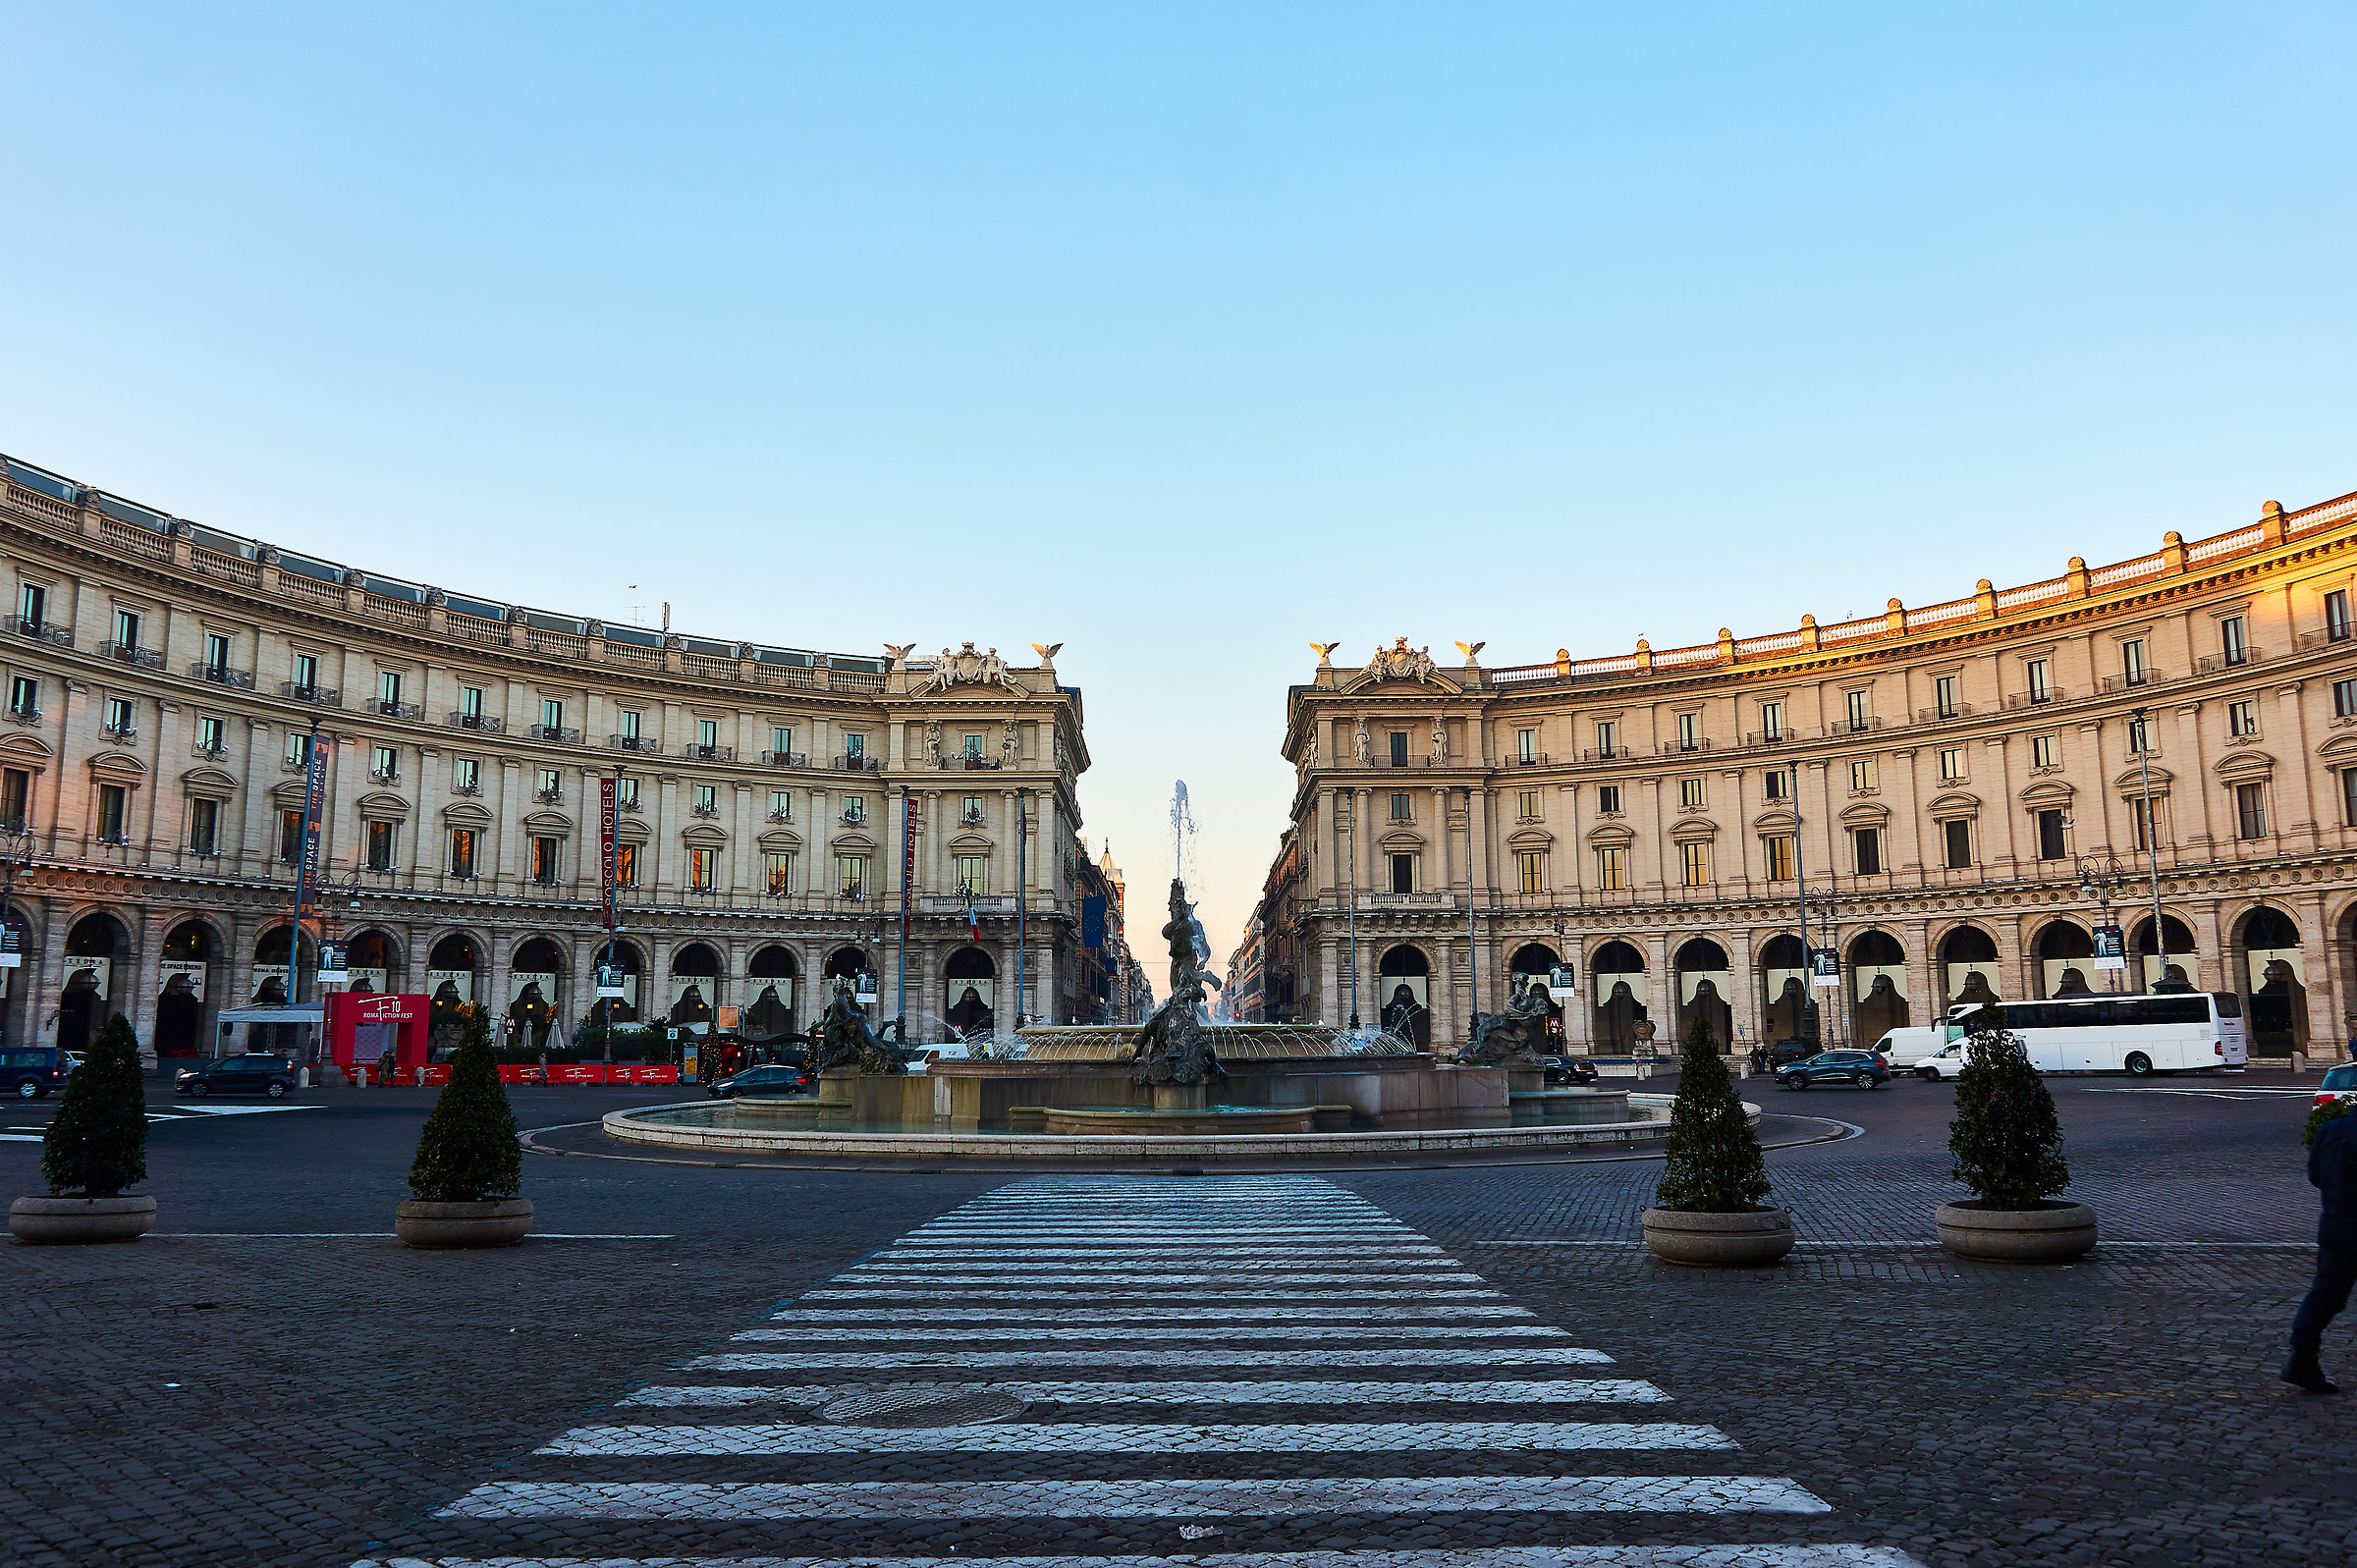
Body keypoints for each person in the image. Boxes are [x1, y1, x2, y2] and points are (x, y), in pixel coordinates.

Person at [2285, 1108, 2357, 1394]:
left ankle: (2302, 1359)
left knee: (2324, 1297)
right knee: (2326, 1297)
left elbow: (2315, 1174)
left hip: (2336, 1225)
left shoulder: (2330, 1130)